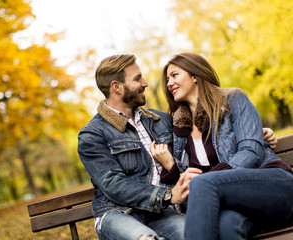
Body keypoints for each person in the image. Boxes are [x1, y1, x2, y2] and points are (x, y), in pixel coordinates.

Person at [77, 54, 278, 240]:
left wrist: (256, 132)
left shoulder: (161, 120)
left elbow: (197, 141)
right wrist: (168, 195)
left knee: (194, 235)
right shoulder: (93, 135)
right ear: (117, 87)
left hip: (163, 213)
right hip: (118, 213)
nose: (145, 83)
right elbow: (114, 184)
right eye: (138, 79)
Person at [150, 52, 293, 240]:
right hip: (237, 206)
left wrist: (212, 178)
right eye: (167, 79)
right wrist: (171, 166)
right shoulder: (180, 130)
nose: (169, 83)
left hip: (274, 187)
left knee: (203, 182)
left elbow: (250, 151)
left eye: (175, 75)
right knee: (226, 227)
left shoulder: (234, 99)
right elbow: (191, 185)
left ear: (194, 75)